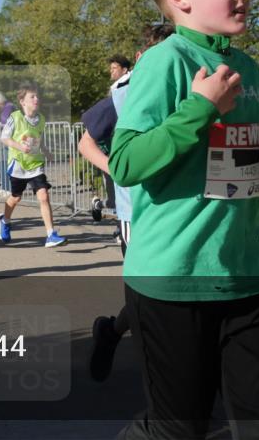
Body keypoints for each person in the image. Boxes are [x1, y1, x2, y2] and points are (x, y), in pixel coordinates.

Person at [108, 0, 259, 440]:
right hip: (170, 279)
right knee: (180, 430)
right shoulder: (164, 61)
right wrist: (199, 107)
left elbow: (223, 165)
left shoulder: (248, 67)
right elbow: (127, 162)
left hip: (243, 276)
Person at [79, 23, 174, 382]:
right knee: (150, 297)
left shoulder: (192, 84)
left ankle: (113, 331)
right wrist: (118, 170)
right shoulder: (126, 93)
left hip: (181, 210)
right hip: (137, 212)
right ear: (141, 58)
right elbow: (86, 143)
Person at [0, 84, 66, 248]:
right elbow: (4, 138)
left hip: (35, 164)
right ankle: (4, 221)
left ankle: (51, 234)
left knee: (43, 196)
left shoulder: (41, 119)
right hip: (18, 164)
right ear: (22, 101)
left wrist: (46, 151)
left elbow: (38, 139)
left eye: (37, 97)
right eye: (32, 97)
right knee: (16, 197)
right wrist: (19, 146)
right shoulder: (15, 117)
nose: (37, 99)